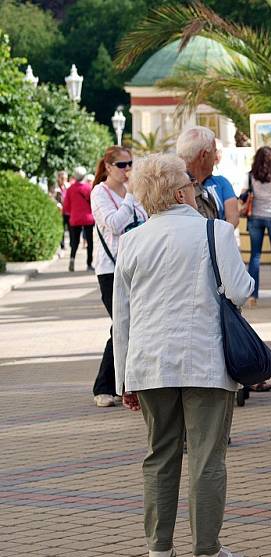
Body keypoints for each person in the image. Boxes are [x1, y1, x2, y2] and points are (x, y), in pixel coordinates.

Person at [114, 153, 253, 557]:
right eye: (190, 184)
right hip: (205, 359)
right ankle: (206, 552)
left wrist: (124, 379)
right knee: (207, 456)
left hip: (149, 361)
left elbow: (121, 315)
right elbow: (240, 290)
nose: (195, 189)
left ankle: (159, 549)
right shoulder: (217, 232)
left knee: (160, 454)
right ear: (179, 192)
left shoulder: (133, 240)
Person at [89, 145, 148, 408]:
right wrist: (130, 197)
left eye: (130, 164)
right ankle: (105, 386)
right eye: (122, 165)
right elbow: (113, 224)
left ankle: (129, 384)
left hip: (136, 267)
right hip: (111, 269)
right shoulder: (100, 193)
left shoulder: (132, 193)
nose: (128, 170)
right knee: (121, 326)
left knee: (135, 326)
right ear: (109, 166)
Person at [243, 146, 271, 307]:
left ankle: (252, 296)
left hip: (255, 217)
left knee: (255, 256)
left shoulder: (250, 175)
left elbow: (243, 194)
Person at [176, 126, 239, 227]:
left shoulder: (172, 183)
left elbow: (233, 217)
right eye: (215, 151)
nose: (215, 157)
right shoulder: (178, 187)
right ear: (204, 155)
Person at [62, 166, 94, 272]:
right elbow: (93, 203)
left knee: (74, 241)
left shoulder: (70, 189)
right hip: (88, 218)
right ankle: (89, 264)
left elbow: (66, 205)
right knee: (89, 241)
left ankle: (72, 259)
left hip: (75, 218)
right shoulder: (88, 188)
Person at [53, 170, 69, 251]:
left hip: (68, 212)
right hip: (60, 212)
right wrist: (58, 204)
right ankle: (62, 245)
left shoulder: (68, 187)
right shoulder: (56, 189)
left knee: (71, 229)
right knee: (61, 229)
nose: (64, 180)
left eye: (65, 178)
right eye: (62, 178)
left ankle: (72, 244)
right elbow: (53, 199)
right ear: (59, 178)